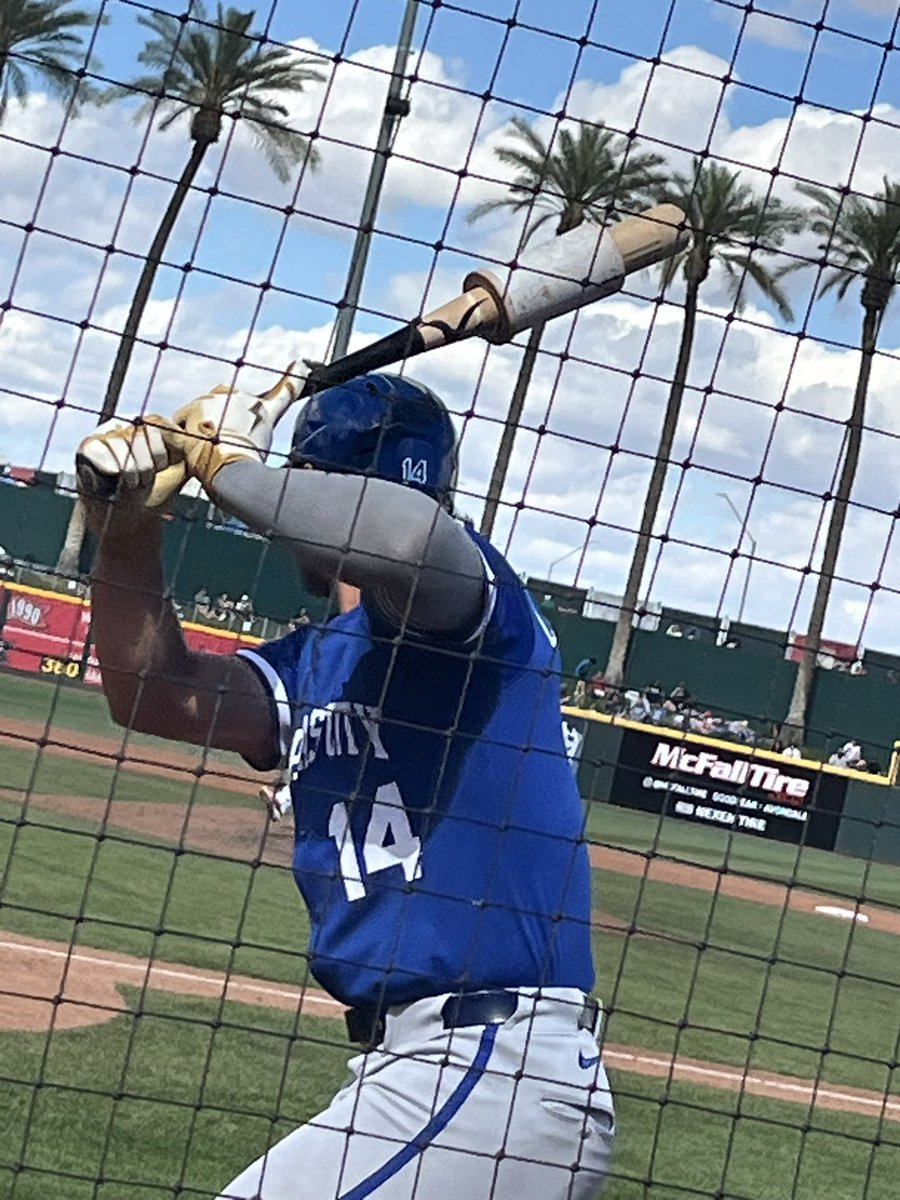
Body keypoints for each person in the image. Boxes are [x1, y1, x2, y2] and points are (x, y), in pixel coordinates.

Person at [76, 367, 615, 1199]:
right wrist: (125, 535)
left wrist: (234, 470)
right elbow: (152, 693)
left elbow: (405, 539)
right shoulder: (320, 660)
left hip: (487, 1071)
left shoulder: (476, 604)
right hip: (420, 1071)